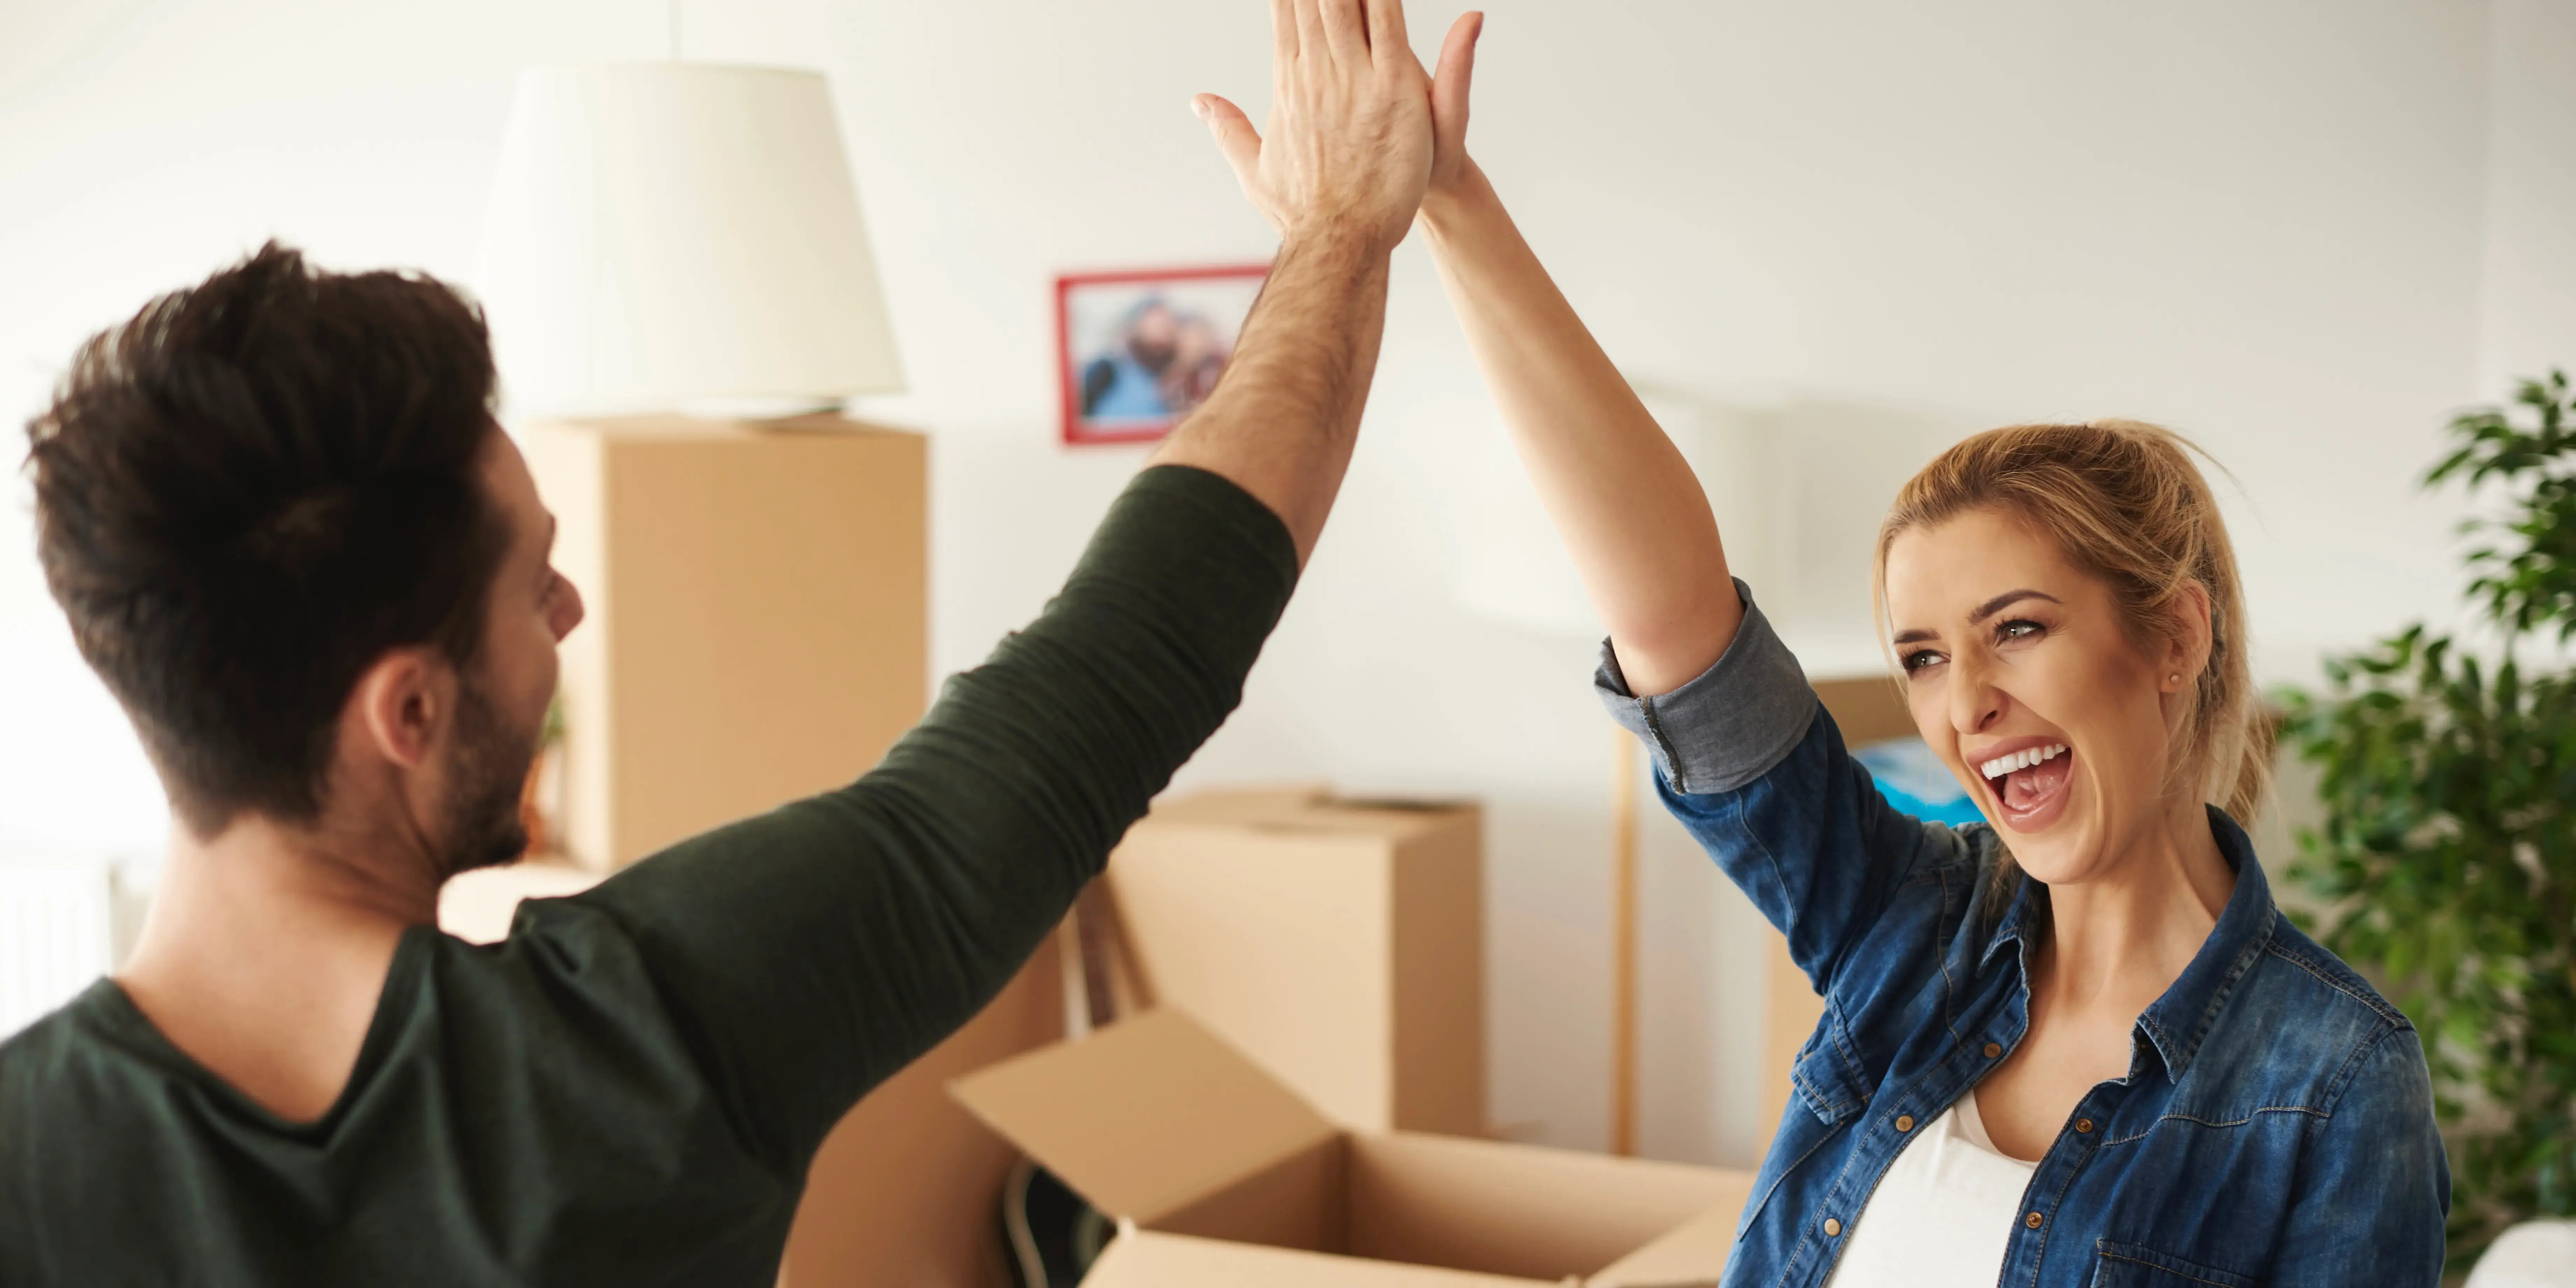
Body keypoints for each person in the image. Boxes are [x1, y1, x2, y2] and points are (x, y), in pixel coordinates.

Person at [0, 0, 1436, 1280]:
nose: (569, 615)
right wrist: (1341, 231)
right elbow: (1118, 666)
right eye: (534, 584)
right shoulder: (652, 1041)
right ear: (411, 712)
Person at [1407, 14, 2449, 1288]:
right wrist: (1452, 205)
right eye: (1924, 656)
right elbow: (1681, 627)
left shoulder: (2335, 1080)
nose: (1972, 705)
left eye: (2016, 629)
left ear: (2174, 636)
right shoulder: (1910, 927)